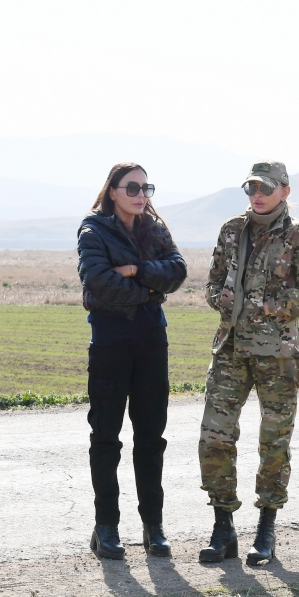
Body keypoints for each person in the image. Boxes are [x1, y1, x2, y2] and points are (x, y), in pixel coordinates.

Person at [198, 159, 299, 565]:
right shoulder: (232, 230)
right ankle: (223, 527)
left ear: (284, 191)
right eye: (251, 188)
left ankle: (266, 529)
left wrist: (271, 305)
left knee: (273, 443)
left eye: (265, 188)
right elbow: (212, 282)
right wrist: (219, 297)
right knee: (214, 438)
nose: (257, 195)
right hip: (230, 350)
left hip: (278, 356)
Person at [77, 162, 187, 560]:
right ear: (113, 191)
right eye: (133, 187)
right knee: (106, 435)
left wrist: (138, 270)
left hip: (151, 339)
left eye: (146, 188)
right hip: (110, 341)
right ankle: (106, 527)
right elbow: (99, 282)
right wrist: (152, 292)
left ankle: (153, 527)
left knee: (151, 436)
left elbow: (178, 271)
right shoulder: (93, 231)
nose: (141, 195)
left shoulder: (154, 228)